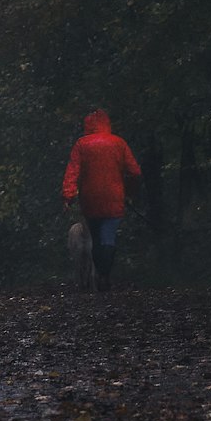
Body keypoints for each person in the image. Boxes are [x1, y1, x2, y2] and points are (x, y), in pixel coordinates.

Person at [62, 109, 141, 290]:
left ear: (87, 125)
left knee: (96, 239)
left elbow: (72, 173)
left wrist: (68, 197)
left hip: (90, 199)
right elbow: (135, 172)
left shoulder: (81, 144)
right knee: (109, 238)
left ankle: (99, 275)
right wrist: (130, 191)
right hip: (115, 198)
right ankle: (104, 274)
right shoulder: (119, 143)